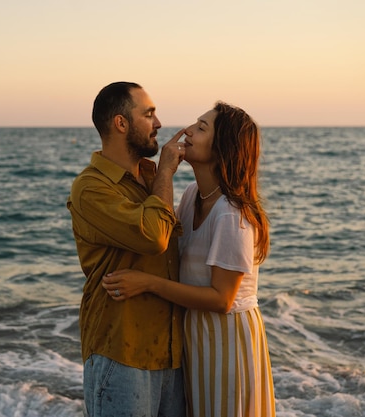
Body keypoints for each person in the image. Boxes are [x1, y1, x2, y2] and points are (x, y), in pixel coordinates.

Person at [102, 102, 276, 417]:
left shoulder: (231, 213)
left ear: (223, 147)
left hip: (228, 337)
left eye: (201, 127)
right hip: (197, 333)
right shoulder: (193, 194)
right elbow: (161, 240)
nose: (189, 131)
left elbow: (222, 299)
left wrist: (147, 284)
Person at [67, 81, 188, 417]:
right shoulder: (91, 187)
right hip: (120, 354)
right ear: (121, 123)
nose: (159, 123)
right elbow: (154, 238)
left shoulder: (149, 179)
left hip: (171, 354)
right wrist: (166, 171)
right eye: (149, 114)